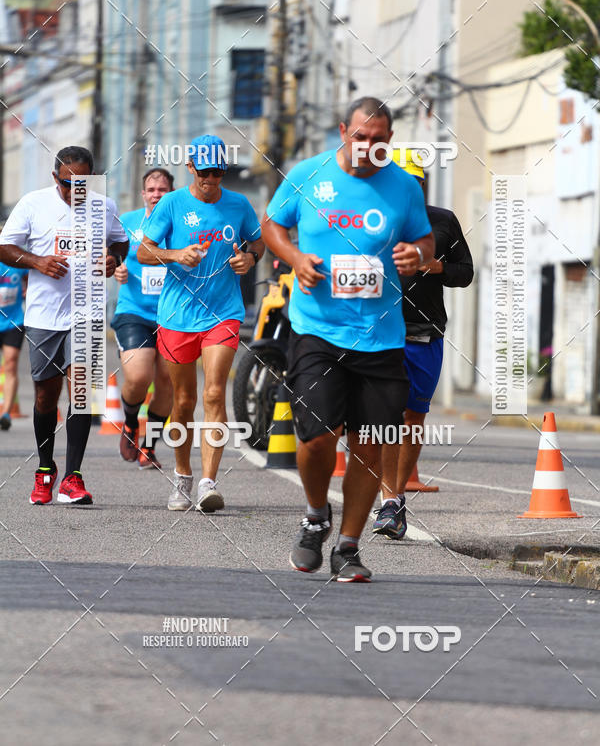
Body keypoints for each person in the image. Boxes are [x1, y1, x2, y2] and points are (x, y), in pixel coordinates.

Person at [261, 97, 434, 582]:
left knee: (371, 445)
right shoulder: (308, 174)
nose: (368, 146)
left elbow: (424, 239)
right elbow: (271, 224)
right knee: (317, 439)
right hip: (317, 329)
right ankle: (316, 514)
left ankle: (349, 547)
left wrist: (417, 255)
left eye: (378, 140)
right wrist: (295, 259)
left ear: (389, 140)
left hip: (381, 338)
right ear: (343, 132)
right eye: (360, 137)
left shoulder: (404, 186)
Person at [137, 135, 264, 512]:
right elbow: (143, 252)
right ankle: (183, 475)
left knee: (213, 393)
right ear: (190, 167)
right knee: (183, 400)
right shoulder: (172, 204)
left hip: (223, 312)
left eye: (217, 173)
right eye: (204, 172)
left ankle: (209, 482)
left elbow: (257, 243)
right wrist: (176, 254)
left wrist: (250, 259)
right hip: (177, 315)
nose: (210, 179)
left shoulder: (239, 204)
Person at [0, 147, 129, 505]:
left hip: (87, 312)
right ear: (55, 177)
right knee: (45, 395)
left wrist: (113, 258)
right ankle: (45, 469)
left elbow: (121, 241)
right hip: (44, 316)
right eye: (67, 184)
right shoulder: (33, 204)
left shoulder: (104, 206)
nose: (75, 191)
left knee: (82, 392)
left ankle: (73, 477)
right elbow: (5, 247)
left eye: (82, 184)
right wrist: (37, 261)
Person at [373, 150, 474, 539]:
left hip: (425, 332)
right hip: (381, 333)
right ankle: (388, 500)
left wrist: (438, 267)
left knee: (413, 417)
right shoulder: (371, 221)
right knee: (385, 418)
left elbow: (466, 272)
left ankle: (396, 498)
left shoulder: (443, 221)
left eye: (414, 182)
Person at [112, 168, 175, 469]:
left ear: (172, 193)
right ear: (143, 193)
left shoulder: (182, 221)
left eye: (162, 190)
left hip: (174, 314)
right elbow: (110, 256)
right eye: (151, 189)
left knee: (167, 381)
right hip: (134, 311)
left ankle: (149, 445)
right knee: (138, 377)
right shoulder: (128, 222)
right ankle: (129, 422)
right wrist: (116, 268)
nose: (156, 195)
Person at [0, 258, 27, 429]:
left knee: (10, 363)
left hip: (13, 321)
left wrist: (29, 289)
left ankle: (6, 413)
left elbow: (31, 278)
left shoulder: (16, 259)